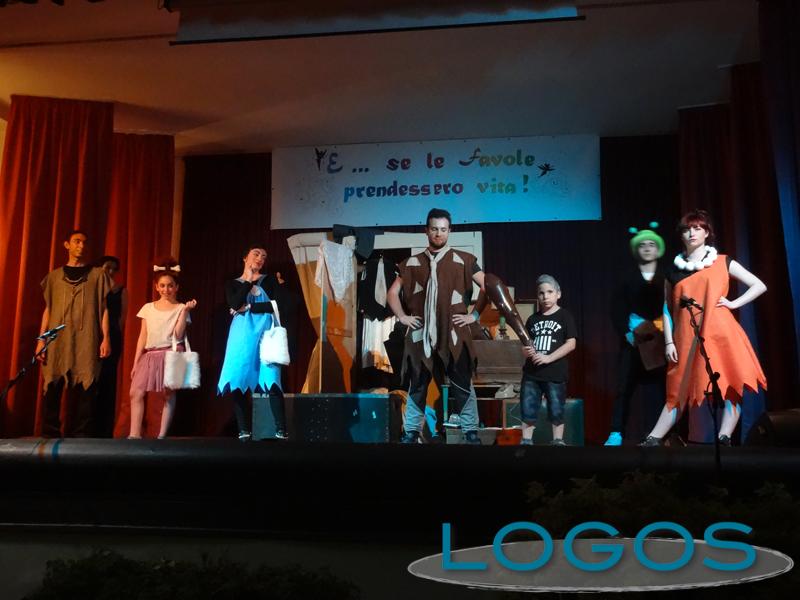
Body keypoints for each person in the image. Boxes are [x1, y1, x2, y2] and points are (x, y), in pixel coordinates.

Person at [640, 210, 767, 446]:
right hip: (686, 335)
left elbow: (758, 285)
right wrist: (668, 341)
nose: (692, 233)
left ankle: (724, 437)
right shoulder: (673, 271)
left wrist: (733, 303)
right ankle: (654, 438)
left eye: (697, 228)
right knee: (678, 386)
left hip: (720, 332)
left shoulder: (722, 261)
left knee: (729, 383)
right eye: (687, 229)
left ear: (707, 232)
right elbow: (667, 308)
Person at [387, 208, 486, 445]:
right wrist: (403, 317)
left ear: (449, 231)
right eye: (434, 229)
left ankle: (471, 431)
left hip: (453, 330)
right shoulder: (411, 263)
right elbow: (392, 293)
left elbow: (487, 286)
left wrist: (474, 315)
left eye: (443, 229)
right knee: (418, 382)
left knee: (462, 382)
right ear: (426, 231)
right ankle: (411, 431)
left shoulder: (464, 260)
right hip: (421, 331)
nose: (439, 234)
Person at [37, 230, 111, 437]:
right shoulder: (54, 277)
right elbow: (48, 309)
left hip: (86, 336)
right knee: (53, 380)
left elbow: (104, 309)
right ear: (67, 245)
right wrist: (41, 340)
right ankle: (50, 431)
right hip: (57, 338)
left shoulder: (98, 275)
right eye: (77, 241)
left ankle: (83, 434)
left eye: (84, 242)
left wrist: (106, 338)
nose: (81, 246)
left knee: (88, 381)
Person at [603, 225, 667, 446]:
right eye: (642, 245)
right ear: (636, 250)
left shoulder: (666, 278)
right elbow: (616, 309)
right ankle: (616, 432)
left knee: (663, 390)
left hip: (661, 342)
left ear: (658, 249)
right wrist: (626, 333)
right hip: (633, 342)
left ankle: (663, 434)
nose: (647, 248)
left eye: (651, 244)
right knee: (623, 388)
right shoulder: (626, 279)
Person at [217, 246, 287, 442]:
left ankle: (281, 430)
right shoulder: (232, 283)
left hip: (266, 333)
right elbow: (234, 303)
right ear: (245, 258)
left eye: (264, 256)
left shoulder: (269, 280)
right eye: (256, 254)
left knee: (271, 378)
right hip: (242, 334)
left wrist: (249, 306)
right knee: (238, 378)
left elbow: (278, 305)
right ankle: (244, 431)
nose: (260, 258)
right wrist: (248, 281)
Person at [128, 260, 196, 439]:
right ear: (157, 287)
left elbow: (178, 335)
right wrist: (136, 363)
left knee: (168, 393)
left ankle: (162, 435)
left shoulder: (180, 307)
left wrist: (185, 311)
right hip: (150, 355)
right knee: (135, 392)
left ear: (176, 287)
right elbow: (142, 337)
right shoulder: (148, 308)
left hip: (172, 353)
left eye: (170, 285)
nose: (166, 289)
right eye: (163, 285)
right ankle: (134, 435)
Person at [519, 275, 577, 446]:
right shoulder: (532, 319)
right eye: (541, 293)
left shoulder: (565, 316)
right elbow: (525, 346)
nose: (545, 296)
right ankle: (526, 441)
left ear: (558, 294)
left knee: (557, 408)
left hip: (555, 372)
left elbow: (571, 343)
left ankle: (558, 440)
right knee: (528, 407)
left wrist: (548, 358)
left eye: (550, 292)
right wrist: (526, 351)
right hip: (532, 373)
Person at [95, 255, 128, 437]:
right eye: (107, 267)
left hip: (112, 338)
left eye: (114, 269)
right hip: (92, 336)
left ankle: (104, 430)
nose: (111, 271)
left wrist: (111, 338)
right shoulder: (93, 288)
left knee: (108, 381)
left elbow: (122, 319)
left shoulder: (120, 290)